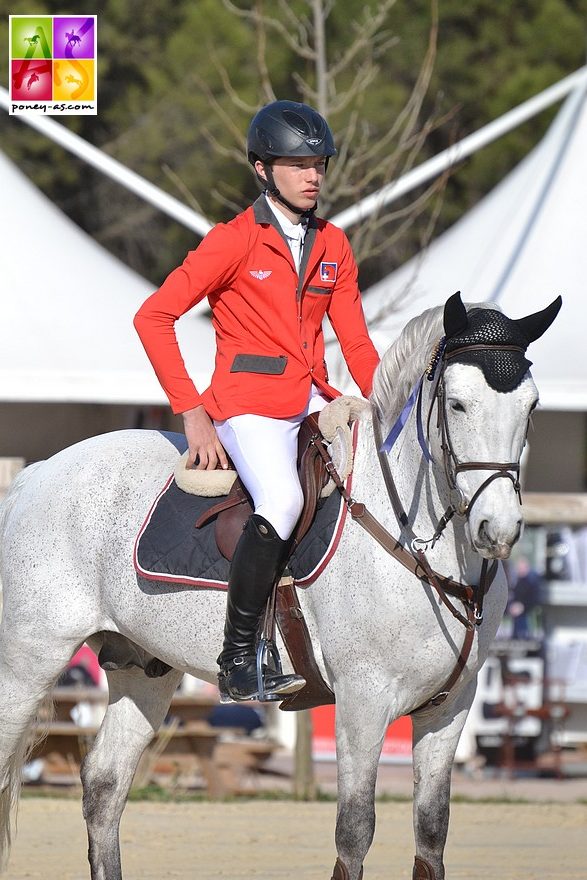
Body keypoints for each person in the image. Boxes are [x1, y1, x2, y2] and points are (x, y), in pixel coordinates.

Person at [133, 100, 380, 702]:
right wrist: (192, 412)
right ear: (263, 169)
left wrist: (385, 403)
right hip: (246, 407)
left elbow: (357, 343)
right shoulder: (232, 242)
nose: (313, 175)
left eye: (319, 162)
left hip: (312, 403)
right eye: (298, 164)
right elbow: (153, 316)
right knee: (284, 497)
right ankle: (239, 657)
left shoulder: (335, 245)